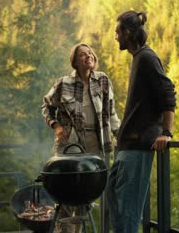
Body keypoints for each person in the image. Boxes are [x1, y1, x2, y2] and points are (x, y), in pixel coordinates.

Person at [107, 10, 176, 233]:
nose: (115, 37)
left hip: (138, 148)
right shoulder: (138, 59)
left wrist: (166, 132)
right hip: (126, 147)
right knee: (114, 202)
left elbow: (167, 91)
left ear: (128, 33)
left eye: (118, 32)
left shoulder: (147, 57)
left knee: (127, 214)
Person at [41, 42, 120, 233]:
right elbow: (46, 106)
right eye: (83, 55)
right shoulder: (64, 83)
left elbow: (111, 113)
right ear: (75, 62)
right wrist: (56, 125)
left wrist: (121, 136)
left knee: (88, 195)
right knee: (67, 195)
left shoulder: (103, 80)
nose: (89, 56)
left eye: (90, 53)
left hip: (97, 144)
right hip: (70, 146)